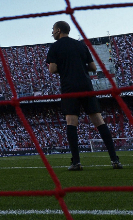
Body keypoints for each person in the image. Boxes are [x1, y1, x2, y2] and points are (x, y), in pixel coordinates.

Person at [45, 20, 122, 170]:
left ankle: (76, 162)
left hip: (70, 87)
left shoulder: (55, 47)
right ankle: (115, 160)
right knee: (99, 121)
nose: (52, 32)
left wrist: (67, 67)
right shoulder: (81, 45)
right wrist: (78, 66)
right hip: (86, 86)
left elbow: (52, 69)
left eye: (53, 30)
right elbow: (93, 67)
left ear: (59, 30)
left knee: (71, 122)